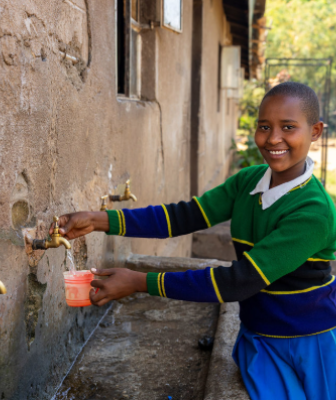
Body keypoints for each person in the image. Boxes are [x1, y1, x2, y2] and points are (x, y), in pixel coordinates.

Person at [50, 82, 336, 400]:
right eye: (264, 127)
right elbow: (183, 217)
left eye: (288, 127)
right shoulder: (249, 181)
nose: (272, 139)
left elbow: (239, 281)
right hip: (259, 336)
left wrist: (139, 282)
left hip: (307, 343)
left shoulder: (314, 212)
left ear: (315, 131)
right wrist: (99, 220)